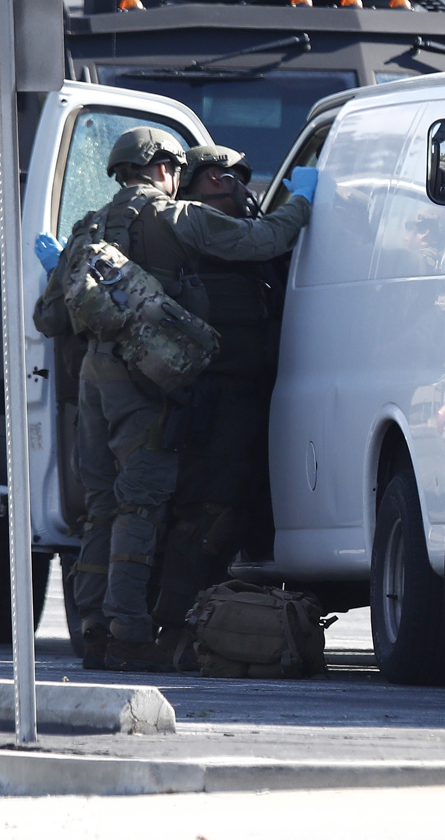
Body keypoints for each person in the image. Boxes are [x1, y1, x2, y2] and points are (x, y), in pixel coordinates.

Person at [38, 128, 316, 672]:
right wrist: (301, 203)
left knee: (99, 509)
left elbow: (47, 317)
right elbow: (261, 242)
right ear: (163, 166)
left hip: (94, 376)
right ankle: (129, 630)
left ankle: (93, 625)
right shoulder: (174, 217)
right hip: (145, 377)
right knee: (142, 503)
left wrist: (69, 274)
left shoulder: (87, 227)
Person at [148, 144, 289, 643]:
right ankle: (175, 620)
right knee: (206, 512)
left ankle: (211, 617)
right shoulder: (195, 228)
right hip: (212, 398)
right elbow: (265, 239)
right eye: (220, 178)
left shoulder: (239, 237)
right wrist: (297, 204)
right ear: (193, 183)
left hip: (250, 396)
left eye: (236, 179)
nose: (233, 187)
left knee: (236, 509)